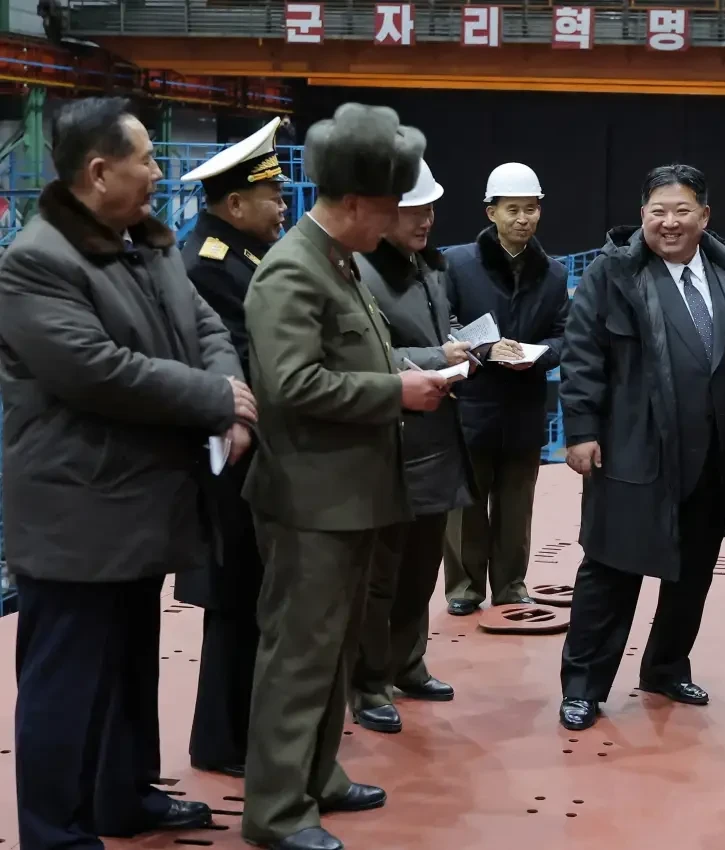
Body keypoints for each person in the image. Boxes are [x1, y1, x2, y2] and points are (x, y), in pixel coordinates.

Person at [0, 96, 251, 849]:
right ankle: (54, 832)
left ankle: (124, 797)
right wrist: (214, 399)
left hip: (139, 502)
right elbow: (97, 370)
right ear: (99, 171)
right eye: (145, 160)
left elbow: (205, 325)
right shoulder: (37, 262)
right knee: (67, 682)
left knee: (131, 668)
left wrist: (231, 397)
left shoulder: (146, 240)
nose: (158, 173)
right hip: (78, 511)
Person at [239, 104, 447, 850]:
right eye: (389, 210)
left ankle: (316, 777)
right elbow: (292, 384)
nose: (394, 225)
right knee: (299, 657)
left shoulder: (337, 262)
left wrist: (409, 376)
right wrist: (397, 393)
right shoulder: (292, 272)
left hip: (349, 499)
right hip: (310, 503)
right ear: (355, 204)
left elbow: (357, 356)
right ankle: (275, 811)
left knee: (332, 653)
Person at [556, 163, 725, 732]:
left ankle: (665, 668)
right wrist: (581, 430)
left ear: (704, 216)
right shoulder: (614, 273)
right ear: (642, 216)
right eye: (658, 211)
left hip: (714, 456)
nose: (670, 222)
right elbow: (582, 354)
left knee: (693, 571)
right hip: (633, 451)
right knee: (612, 569)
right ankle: (583, 686)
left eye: (682, 210)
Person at [173, 116, 289, 778]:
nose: (282, 207)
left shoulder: (243, 258)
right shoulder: (209, 266)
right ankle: (223, 741)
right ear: (236, 204)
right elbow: (246, 363)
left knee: (250, 602)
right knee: (235, 601)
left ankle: (242, 731)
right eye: (272, 197)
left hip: (252, 461)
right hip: (232, 465)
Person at [350, 159, 472, 734]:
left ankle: (407, 662)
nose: (425, 220)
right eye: (413, 210)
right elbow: (362, 357)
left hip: (435, 441)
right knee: (381, 576)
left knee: (421, 569)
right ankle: (368, 682)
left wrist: (462, 349)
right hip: (390, 444)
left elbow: (433, 334)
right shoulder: (358, 271)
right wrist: (434, 358)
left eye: (430, 208)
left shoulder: (427, 266)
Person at [442, 162, 568, 615]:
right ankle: (464, 588)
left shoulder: (553, 273)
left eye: (531, 209)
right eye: (512, 209)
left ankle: (512, 584)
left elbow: (564, 334)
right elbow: (443, 323)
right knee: (466, 502)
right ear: (490, 212)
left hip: (523, 403)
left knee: (517, 503)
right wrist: (487, 349)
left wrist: (537, 354)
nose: (523, 219)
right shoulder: (458, 263)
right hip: (471, 400)